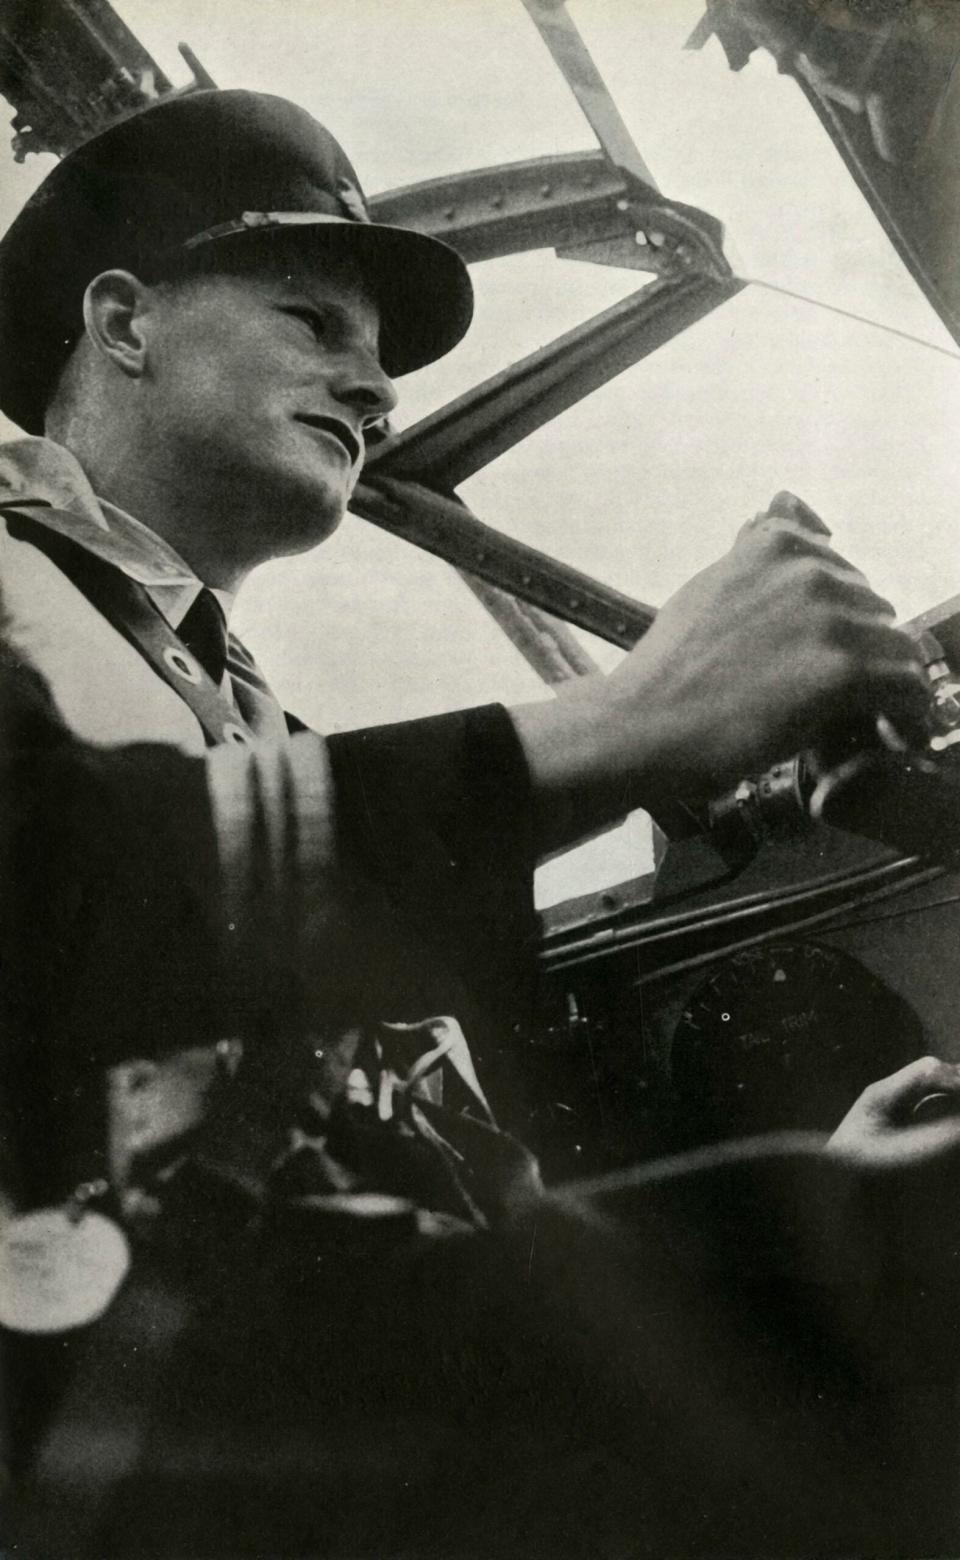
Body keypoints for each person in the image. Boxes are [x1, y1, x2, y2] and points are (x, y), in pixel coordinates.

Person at [0, 87, 950, 1558]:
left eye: (379, 366)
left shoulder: (271, 745)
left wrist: (802, 1204)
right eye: (315, 324)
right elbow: (54, 899)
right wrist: (630, 721)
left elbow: (430, 1189)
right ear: (122, 322)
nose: (377, 394)